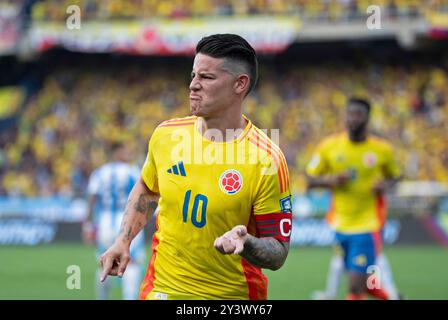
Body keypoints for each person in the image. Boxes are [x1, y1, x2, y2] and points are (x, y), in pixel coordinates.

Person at [99, 34, 293, 300]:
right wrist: (123, 240)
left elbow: (278, 251)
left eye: (207, 77)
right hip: (161, 290)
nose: (193, 85)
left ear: (240, 84)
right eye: (193, 75)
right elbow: (147, 188)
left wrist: (246, 243)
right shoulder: (166, 135)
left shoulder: (267, 159)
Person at [306, 97, 402, 300]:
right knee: (364, 282)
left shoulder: (382, 150)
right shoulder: (329, 146)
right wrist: (332, 180)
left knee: (355, 287)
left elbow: (395, 177)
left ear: (368, 118)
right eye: (350, 114)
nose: (354, 119)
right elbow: (310, 179)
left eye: (359, 114)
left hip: (368, 226)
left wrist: (384, 185)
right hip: (339, 226)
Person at [83, 141, 146, 300]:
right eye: (125, 150)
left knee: (105, 262)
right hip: (129, 222)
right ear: (117, 152)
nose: (128, 153)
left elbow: (91, 199)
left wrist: (88, 225)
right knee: (132, 263)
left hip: (105, 223)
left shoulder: (99, 173)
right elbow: (143, 196)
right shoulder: (132, 171)